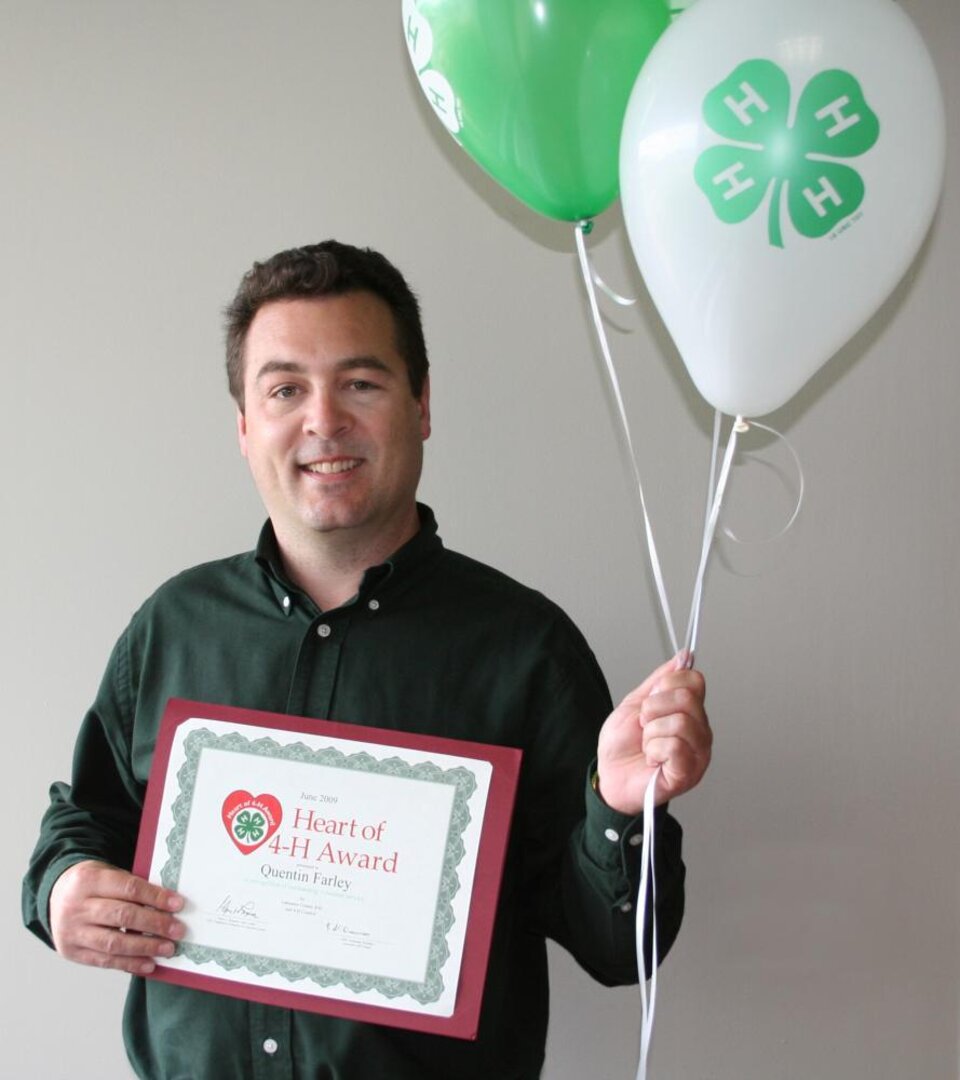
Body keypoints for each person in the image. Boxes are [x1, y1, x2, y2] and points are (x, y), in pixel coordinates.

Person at [23, 240, 711, 1079]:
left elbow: (618, 949)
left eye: (360, 383)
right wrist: (64, 886)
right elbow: (88, 818)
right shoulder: (173, 626)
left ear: (421, 405)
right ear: (245, 426)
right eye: (285, 390)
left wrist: (619, 810)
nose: (323, 421)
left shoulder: (525, 650)